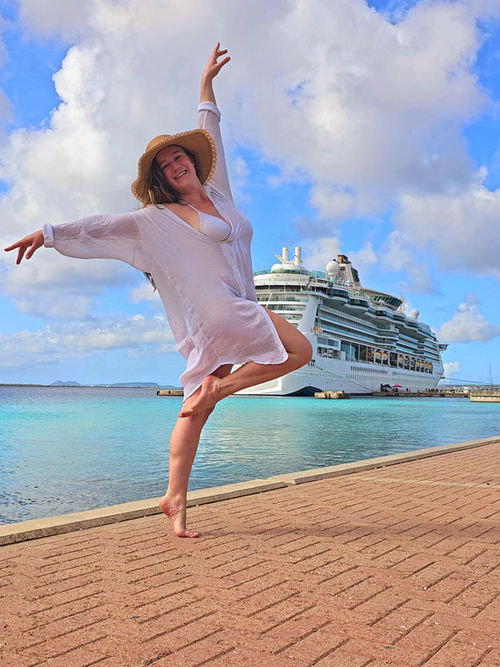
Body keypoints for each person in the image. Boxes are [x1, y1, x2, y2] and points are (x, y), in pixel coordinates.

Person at [4, 44, 312, 538]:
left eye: (179, 157)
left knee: (196, 408)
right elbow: (103, 225)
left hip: (232, 308)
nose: (176, 165)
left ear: (191, 161)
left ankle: (174, 498)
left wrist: (206, 87)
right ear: (162, 180)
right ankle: (221, 388)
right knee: (300, 350)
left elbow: (213, 133)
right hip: (223, 310)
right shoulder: (156, 219)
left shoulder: (221, 195)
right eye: (166, 165)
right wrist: (50, 232)